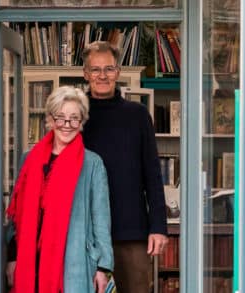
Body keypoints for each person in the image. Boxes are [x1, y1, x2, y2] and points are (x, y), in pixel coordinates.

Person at [5, 86, 113, 293]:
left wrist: (103, 267)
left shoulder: (93, 164)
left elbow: (101, 220)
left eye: (74, 118)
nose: (67, 125)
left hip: (73, 261)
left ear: (82, 122)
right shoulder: (29, 159)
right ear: (50, 120)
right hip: (30, 260)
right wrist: (12, 257)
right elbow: (16, 217)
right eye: (61, 117)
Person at [81, 41, 169, 293]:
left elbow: (153, 174)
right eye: (95, 70)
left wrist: (158, 227)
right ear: (86, 73)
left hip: (131, 230)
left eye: (108, 69)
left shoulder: (138, 115)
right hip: (85, 231)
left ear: (118, 72)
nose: (102, 76)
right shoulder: (75, 115)